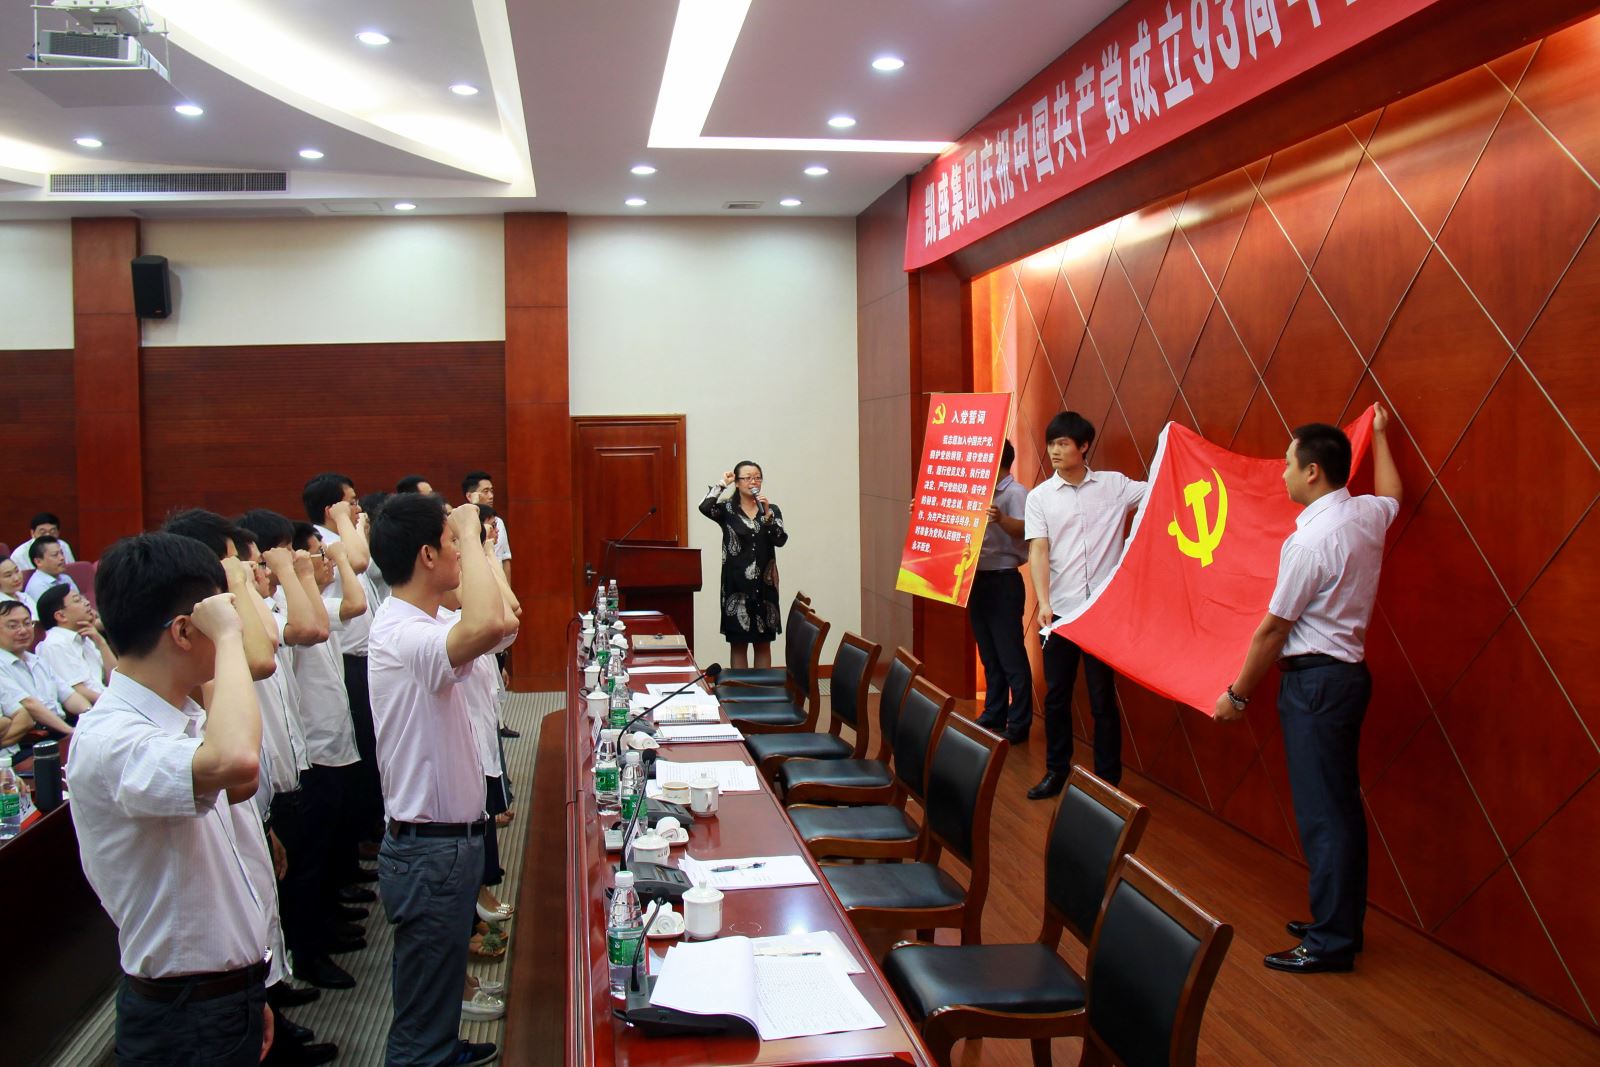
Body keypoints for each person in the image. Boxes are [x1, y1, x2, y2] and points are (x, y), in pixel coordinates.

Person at [68, 532, 274, 1066]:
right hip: (186, 1012)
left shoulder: (180, 714)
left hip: (220, 995)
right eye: (219, 615)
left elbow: (241, 785)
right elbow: (237, 762)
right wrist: (228, 636)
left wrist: (249, 990)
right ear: (184, 630)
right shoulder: (112, 738)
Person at [1215, 407, 1401, 975]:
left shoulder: (1310, 542)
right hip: (1345, 679)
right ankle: (1340, 922)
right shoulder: (1364, 514)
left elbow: (1273, 629)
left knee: (1325, 815)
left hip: (1316, 685)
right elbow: (1393, 496)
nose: (1283, 473)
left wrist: (1238, 695)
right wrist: (1381, 436)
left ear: (1313, 471)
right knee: (1338, 807)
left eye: (1288, 464)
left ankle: (1330, 943)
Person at [368, 494, 505, 1067]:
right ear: (428, 555)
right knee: (421, 1013)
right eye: (450, 544)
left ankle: (442, 1049)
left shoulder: (422, 623)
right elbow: (490, 621)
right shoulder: (402, 633)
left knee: (438, 982)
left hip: (446, 844)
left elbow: (501, 624)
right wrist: (472, 530)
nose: (457, 552)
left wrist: (470, 540)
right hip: (430, 850)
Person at [1023, 412, 1147, 799]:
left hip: (1103, 614)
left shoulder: (1114, 486)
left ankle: (1108, 781)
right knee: (1056, 696)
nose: (1055, 451)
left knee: (1102, 698)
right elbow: (1038, 550)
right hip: (1060, 611)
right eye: (1051, 444)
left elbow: (1161, 490)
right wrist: (1043, 602)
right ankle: (1056, 771)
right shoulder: (1040, 497)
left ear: (1084, 446)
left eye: (1063, 443)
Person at [969, 441, 1032, 741]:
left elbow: (1028, 528)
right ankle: (994, 712)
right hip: (977, 579)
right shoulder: (977, 492)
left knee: (1010, 655)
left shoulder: (1016, 492)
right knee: (989, 653)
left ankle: (1019, 723)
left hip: (1004, 579)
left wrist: (1001, 519)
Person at [699, 461, 789, 669]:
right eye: (747, 478)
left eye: (757, 477)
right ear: (737, 483)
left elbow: (780, 540)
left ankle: (762, 688)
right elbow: (705, 507)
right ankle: (741, 688)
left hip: (765, 588)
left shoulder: (771, 510)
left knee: (763, 644)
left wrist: (767, 515)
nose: (753, 481)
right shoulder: (727, 510)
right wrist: (722, 484)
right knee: (738, 645)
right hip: (736, 587)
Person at [0, 598, 87, 737]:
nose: (23, 631)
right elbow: (29, 704)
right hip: (37, 736)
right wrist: (70, 731)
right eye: (13, 626)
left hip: (63, 727)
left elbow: (68, 695)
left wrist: (90, 714)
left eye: (27, 623)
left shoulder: (37, 660)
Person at [34, 584, 116, 706]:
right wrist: (116, 704)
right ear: (61, 616)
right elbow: (78, 691)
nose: (87, 603)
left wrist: (102, 643)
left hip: (107, 700)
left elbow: (116, 679)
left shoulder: (84, 636)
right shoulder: (54, 644)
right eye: (77, 600)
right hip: (94, 709)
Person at [462, 471, 511, 580]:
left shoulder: (499, 522)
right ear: (469, 496)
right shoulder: (463, 524)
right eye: (485, 491)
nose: (491, 496)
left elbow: (505, 558)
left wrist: (508, 588)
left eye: (492, 491)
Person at [9, 512, 76, 569]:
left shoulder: (63, 545)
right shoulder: (19, 554)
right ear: (32, 533)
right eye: (42, 532)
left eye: (52, 532)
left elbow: (72, 570)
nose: (48, 536)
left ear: (58, 532)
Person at [24, 536, 78, 601]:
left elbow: (80, 601)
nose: (62, 558)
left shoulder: (66, 578)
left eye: (62, 553)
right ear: (38, 562)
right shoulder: (37, 587)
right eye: (55, 555)